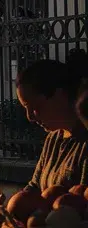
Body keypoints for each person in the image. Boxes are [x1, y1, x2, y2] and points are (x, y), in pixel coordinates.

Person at [16, 51, 88, 191]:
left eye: (35, 107)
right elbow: (34, 187)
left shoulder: (84, 143)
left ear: (60, 95)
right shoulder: (53, 139)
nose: (30, 117)